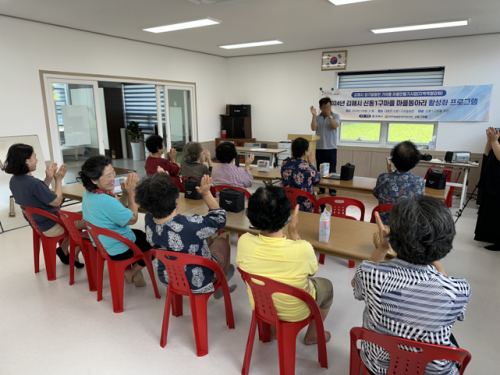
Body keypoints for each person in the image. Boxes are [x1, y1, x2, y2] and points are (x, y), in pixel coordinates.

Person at [352, 196, 471, 375]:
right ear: (446, 241)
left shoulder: (370, 275)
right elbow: (456, 312)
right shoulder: (458, 290)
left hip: (378, 367)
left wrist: (383, 248)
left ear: (394, 238)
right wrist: (432, 255)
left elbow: (356, 285)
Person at [237, 186, 333, 345]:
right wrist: (294, 233)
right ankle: (312, 335)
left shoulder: (244, 241)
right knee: (327, 287)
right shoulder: (302, 249)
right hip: (296, 311)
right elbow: (312, 272)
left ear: (251, 216)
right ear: (287, 215)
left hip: (261, 305)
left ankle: (273, 329)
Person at [136, 173, 236, 298]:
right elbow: (220, 218)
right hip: (198, 281)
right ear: (176, 200)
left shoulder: (149, 220)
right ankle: (221, 281)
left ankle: (222, 275)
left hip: (168, 277)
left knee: (207, 237)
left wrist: (161, 182)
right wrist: (206, 193)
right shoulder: (191, 224)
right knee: (221, 242)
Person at [4, 143, 84, 268]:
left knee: (77, 218)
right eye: (34, 157)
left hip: (38, 224)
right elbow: (57, 202)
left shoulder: (15, 180)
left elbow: (38, 194)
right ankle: (74, 253)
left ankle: (63, 249)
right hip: (52, 225)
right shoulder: (33, 183)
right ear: (26, 161)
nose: (37, 160)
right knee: (91, 219)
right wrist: (58, 180)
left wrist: (48, 178)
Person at [78, 156, 149, 287]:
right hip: (118, 248)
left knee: (139, 234)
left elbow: (117, 210)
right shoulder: (106, 200)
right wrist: (132, 194)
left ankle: (136, 273)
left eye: (113, 172)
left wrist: (126, 194)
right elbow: (132, 219)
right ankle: (132, 272)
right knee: (152, 243)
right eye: (108, 175)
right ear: (94, 179)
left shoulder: (89, 194)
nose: (113, 178)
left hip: (101, 244)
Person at [373, 141, 425, 225]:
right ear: (415, 161)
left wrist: (390, 173)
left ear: (393, 160)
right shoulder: (419, 181)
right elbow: (418, 202)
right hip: (407, 227)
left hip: (383, 224)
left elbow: (377, 194)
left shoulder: (383, 178)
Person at [474, 126, 500, 251]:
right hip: (492, 181)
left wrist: (494, 141)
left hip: (498, 185)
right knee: (489, 210)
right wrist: (490, 140)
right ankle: (488, 236)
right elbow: (487, 153)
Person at [280, 137, 321, 212]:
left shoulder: (284, 164)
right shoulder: (308, 167)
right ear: (305, 152)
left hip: (289, 203)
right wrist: (312, 163)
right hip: (306, 206)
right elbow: (317, 181)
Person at [310, 97, 340, 196]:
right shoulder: (318, 117)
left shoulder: (335, 116)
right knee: (320, 169)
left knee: (332, 170)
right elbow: (313, 128)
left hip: (331, 148)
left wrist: (329, 116)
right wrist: (314, 116)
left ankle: (332, 189)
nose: (327, 109)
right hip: (319, 147)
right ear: (320, 108)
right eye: (325, 108)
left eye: (329, 107)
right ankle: (321, 188)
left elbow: (334, 126)